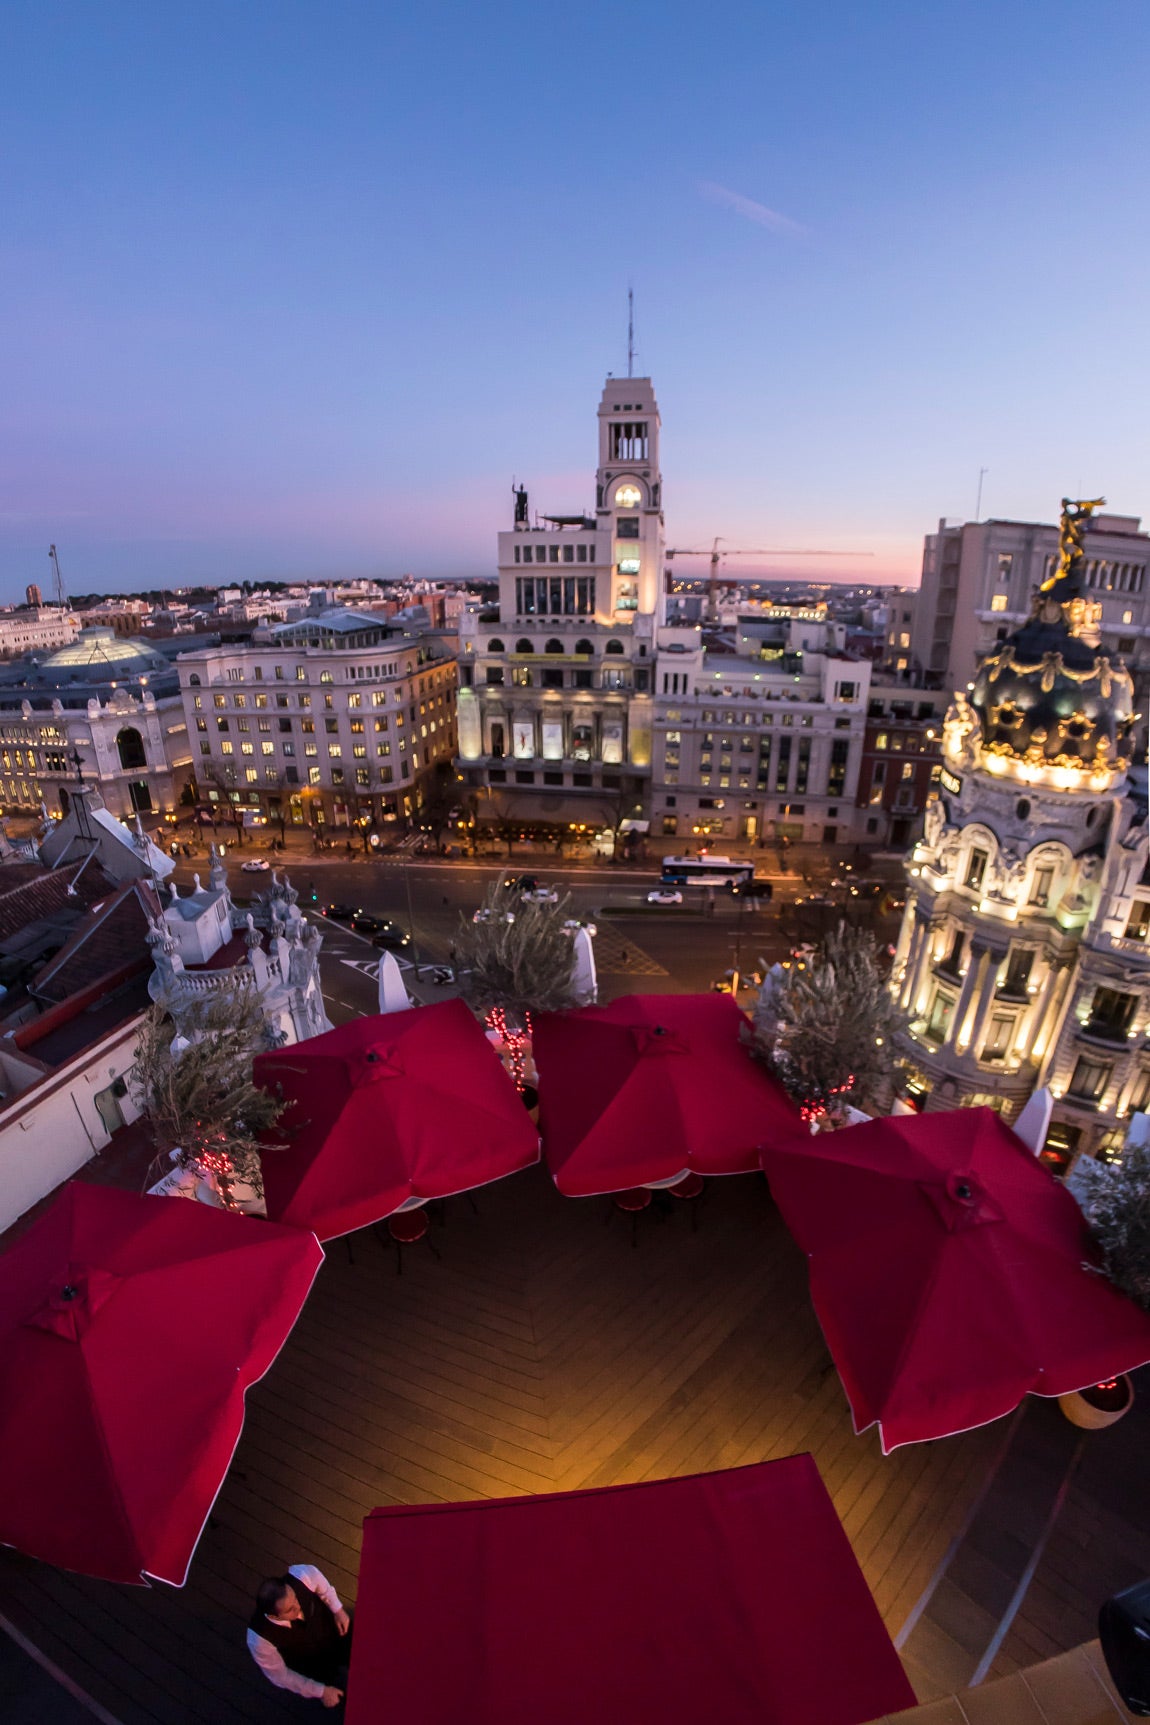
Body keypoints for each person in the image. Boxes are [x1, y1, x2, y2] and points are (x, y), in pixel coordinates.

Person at [247, 1564, 352, 1708]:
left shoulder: (302, 1575)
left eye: (295, 1599)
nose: (298, 1607)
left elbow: (324, 1588)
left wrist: (338, 1610)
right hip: (314, 1669)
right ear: (274, 1616)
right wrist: (321, 1691)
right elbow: (281, 1676)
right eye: (290, 1609)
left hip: (336, 1635)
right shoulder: (259, 1639)